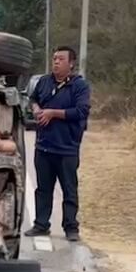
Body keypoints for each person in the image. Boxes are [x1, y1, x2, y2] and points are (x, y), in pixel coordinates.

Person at [26, 46, 91, 241]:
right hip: (44, 145)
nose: (56, 62)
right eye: (54, 58)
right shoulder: (44, 82)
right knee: (43, 188)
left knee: (69, 189)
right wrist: (37, 109)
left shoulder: (79, 86)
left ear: (71, 63)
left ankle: (71, 227)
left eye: (61, 59)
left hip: (67, 148)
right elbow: (33, 99)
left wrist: (53, 113)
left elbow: (81, 111)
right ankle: (41, 224)